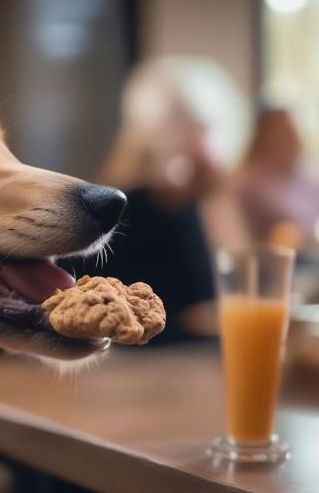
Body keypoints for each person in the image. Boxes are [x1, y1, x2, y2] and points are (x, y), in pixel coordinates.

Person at [66, 57, 250, 343]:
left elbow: (237, 282)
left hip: (189, 360)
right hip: (143, 362)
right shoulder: (130, 211)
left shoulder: (196, 205)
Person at [236, 108, 319, 249]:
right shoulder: (246, 182)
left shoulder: (308, 178)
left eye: (295, 132)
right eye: (287, 134)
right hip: (268, 259)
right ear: (267, 138)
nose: (296, 139)